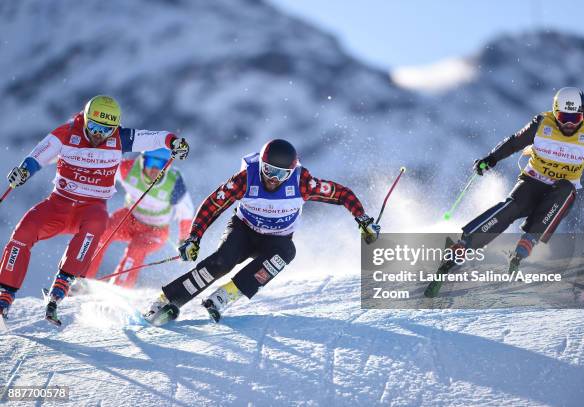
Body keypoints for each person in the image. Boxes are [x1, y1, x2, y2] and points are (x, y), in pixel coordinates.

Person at [144, 139, 380, 325]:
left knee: (287, 252)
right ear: (261, 165)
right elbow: (214, 204)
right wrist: (194, 236)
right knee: (222, 262)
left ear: (291, 171)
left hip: (276, 240)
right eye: (268, 170)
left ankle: (226, 295)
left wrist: (363, 219)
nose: (272, 179)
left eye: (281, 174)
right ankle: (166, 300)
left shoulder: (302, 183)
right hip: (244, 231)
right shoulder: (247, 178)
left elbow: (342, 194)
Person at [0, 95, 190, 324]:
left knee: (102, 228)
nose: (99, 134)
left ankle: (67, 285)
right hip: (63, 203)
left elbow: (155, 139)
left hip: (109, 213)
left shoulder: (122, 140)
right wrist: (23, 171)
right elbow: (40, 154)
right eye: (94, 127)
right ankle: (5, 296)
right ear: (85, 119)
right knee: (25, 230)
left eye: (107, 130)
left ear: (116, 127)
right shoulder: (69, 134)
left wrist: (174, 142)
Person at [425, 87, 584, 298]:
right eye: (563, 117)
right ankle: (464, 245)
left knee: (568, 190)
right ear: (555, 112)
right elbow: (514, 142)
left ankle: (528, 241)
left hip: (559, 192)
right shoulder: (542, 125)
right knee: (511, 206)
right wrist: (491, 158)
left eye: (575, 118)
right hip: (533, 182)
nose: (569, 125)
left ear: (583, 114)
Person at [84, 149, 194, 288]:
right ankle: (81, 277)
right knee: (101, 232)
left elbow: (187, 213)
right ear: (142, 161)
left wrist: (184, 240)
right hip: (129, 219)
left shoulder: (173, 182)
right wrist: (77, 160)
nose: (155, 169)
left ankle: (121, 287)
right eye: (151, 162)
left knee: (137, 248)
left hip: (156, 230)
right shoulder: (129, 169)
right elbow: (103, 166)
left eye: (161, 164)